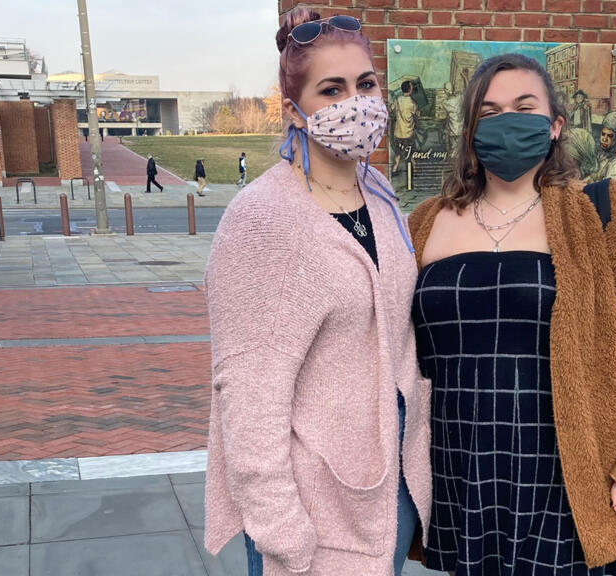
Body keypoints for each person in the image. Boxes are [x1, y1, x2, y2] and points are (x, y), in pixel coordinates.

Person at [408, 53, 616, 575]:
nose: (506, 121)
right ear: (469, 130)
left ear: (555, 125)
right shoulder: (425, 223)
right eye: (488, 112)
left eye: (523, 106)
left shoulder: (605, 215)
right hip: (460, 481)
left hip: (565, 484)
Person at [202, 8, 430, 576]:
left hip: (386, 491)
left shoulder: (377, 193)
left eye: (366, 84)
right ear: (295, 112)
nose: (357, 103)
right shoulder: (261, 220)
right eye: (332, 90)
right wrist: (283, 531)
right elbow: (249, 393)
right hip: (311, 510)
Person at [392, 80, 419, 175]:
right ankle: (414, 169)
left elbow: (392, 109)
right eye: (411, 87)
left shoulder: (397, 100)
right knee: (411, 152)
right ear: (410, 89)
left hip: (398, 133)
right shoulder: (412, 103)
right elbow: (417, 115)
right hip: (408, 133)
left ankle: (394, 169)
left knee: (397, 153)